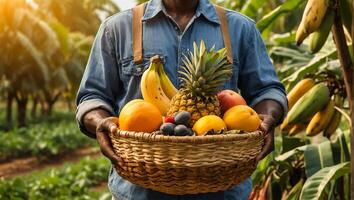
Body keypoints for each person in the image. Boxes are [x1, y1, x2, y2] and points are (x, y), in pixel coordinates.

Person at [76, 0, 288, 199]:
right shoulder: (117, 28)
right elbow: (92, 96)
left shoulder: (240, 28)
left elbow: (267, 90)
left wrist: (267, 117)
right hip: (138, 192)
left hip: (222, 190)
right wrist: (100, 122)